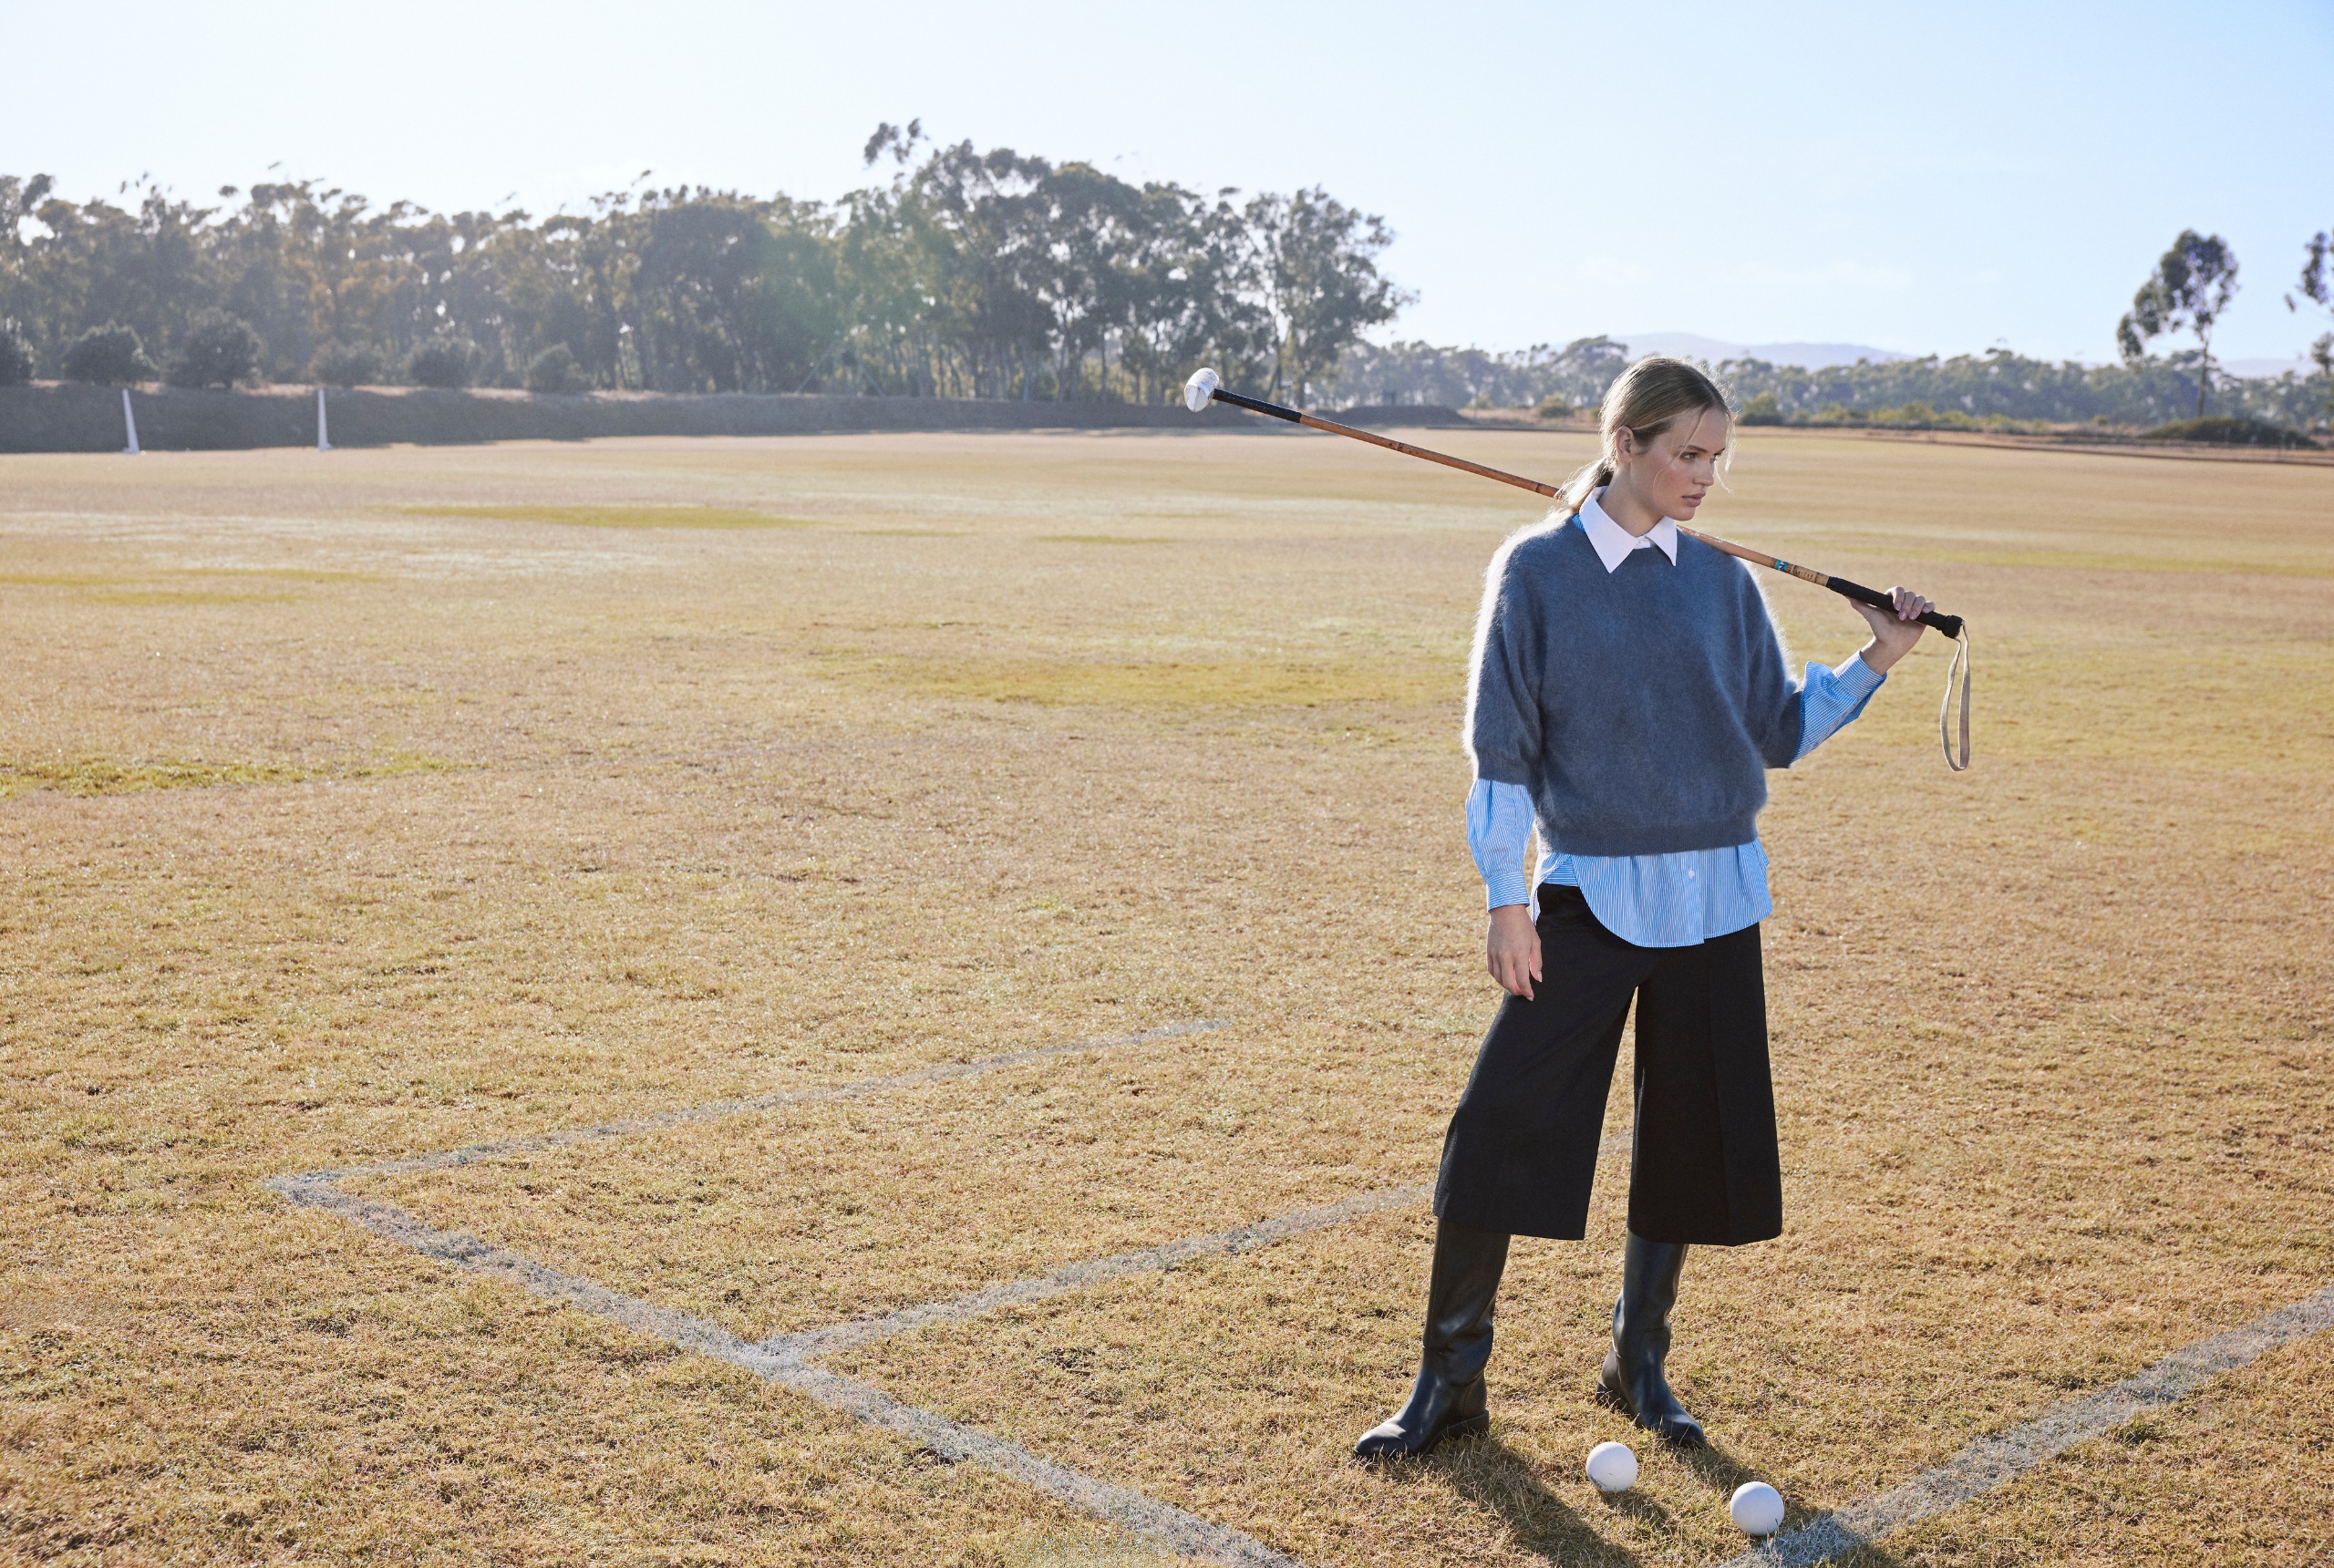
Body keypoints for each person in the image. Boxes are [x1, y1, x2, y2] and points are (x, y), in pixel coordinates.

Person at [1354, 356, 1937, 1460]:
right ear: (1624, 444)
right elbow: (1501, 749)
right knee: (1498, 1124)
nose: (1704, 476)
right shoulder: (1536, 571)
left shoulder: (1720, 580)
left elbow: (1777, 730)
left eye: (1717, 457)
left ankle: (1638, 1362)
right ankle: (1449, 1383)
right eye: (1686, 453)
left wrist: (1879, 655)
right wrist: (1506, 897)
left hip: (1717, 895)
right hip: (1591, 891)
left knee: (1686, 1136)